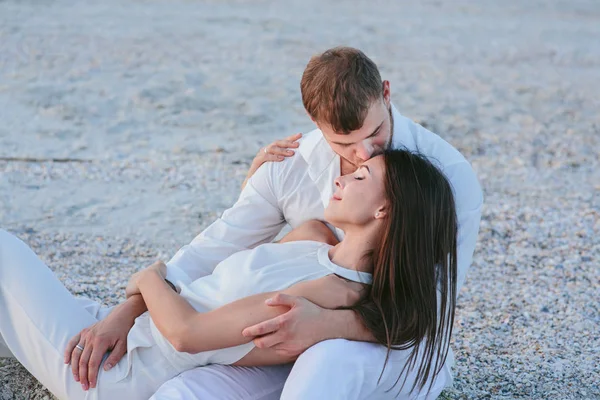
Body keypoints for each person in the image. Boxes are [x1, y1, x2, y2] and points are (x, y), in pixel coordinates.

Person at [61, 46, 482, 399]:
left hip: (381, 342)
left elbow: (428, 311)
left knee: (325, 359)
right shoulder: (288, 165)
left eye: (375, 134)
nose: (364, 154)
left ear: (386, 94)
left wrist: (327, 324)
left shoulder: (447, 174)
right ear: (314, 123)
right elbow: (211, 252)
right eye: (344, 143)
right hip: (276, 342)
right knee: (178, 392)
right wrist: (127, 310)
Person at [0, 149, 458, 400]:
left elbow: (186, 333)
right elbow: (229, 273)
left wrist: (147, 277)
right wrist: (129, 306)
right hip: (121, 332)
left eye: (360, 178)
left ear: (385, 209)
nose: (342, 177)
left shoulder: (320, 298)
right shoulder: (315, 237)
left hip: (112, 374)